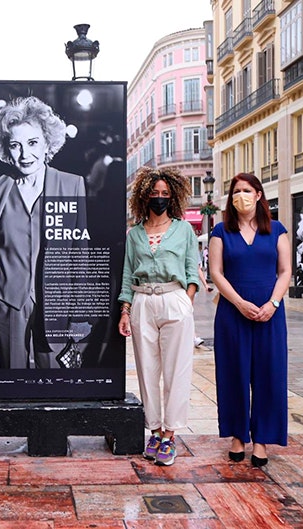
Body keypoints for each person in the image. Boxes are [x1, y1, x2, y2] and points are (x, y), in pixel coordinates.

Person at [0, 95, 87, 370]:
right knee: (12, 380)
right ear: (6, 148)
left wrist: (79, 310)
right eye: (15, 145)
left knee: (56, 379)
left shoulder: (72, 184)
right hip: (7, 297)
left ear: (48, 142)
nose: (25, 155)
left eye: (33, 143)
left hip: (56, 299)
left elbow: (80, 251)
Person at [208, 173, 291, 468]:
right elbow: (216, 272)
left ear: (258, 194)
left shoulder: (277, 229)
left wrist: (273, 303)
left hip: (270, 315)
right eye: (235, 191)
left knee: (270, 375)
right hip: (233, 313)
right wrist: (240, 303)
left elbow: (285, 271)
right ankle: (237, 437)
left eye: (246, 190)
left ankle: (262, 441)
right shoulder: (220, 231)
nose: (240, 195)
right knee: (234, 374)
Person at [118, 166, 199, 466]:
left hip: (174, 298)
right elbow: (127, 273)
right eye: (154, 193)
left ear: (173, 196)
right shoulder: (135, 234)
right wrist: (125, 310)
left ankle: (171, 434)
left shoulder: (183, 229)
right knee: (147, 369)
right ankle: (154, 430)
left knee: (177, 371)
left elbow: (193, 270)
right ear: (144, 196)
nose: (160, 198)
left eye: (165, 194)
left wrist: (186, 301)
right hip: (142, 301)